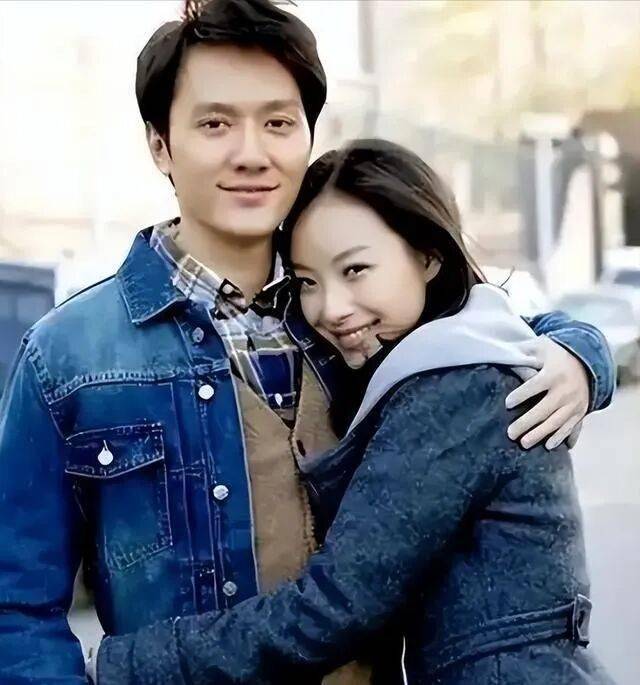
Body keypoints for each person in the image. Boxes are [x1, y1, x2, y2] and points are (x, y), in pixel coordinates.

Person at [0, 1, 613, 682]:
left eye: (278, 123)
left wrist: (580, 354)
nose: (251, 153)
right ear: (160, 145)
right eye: (215, 124)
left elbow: (480, 333)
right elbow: (16, 607)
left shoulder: (356, 325)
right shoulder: (68, 357)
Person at [96, 139, 614, 684]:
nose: (331, 309)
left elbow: (336, 605)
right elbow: (529, 328)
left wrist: (125, 666)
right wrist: (584, 352)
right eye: (308, 282)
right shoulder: (464, 347)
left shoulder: (454, 388)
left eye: (356, 270)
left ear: (428, 256)